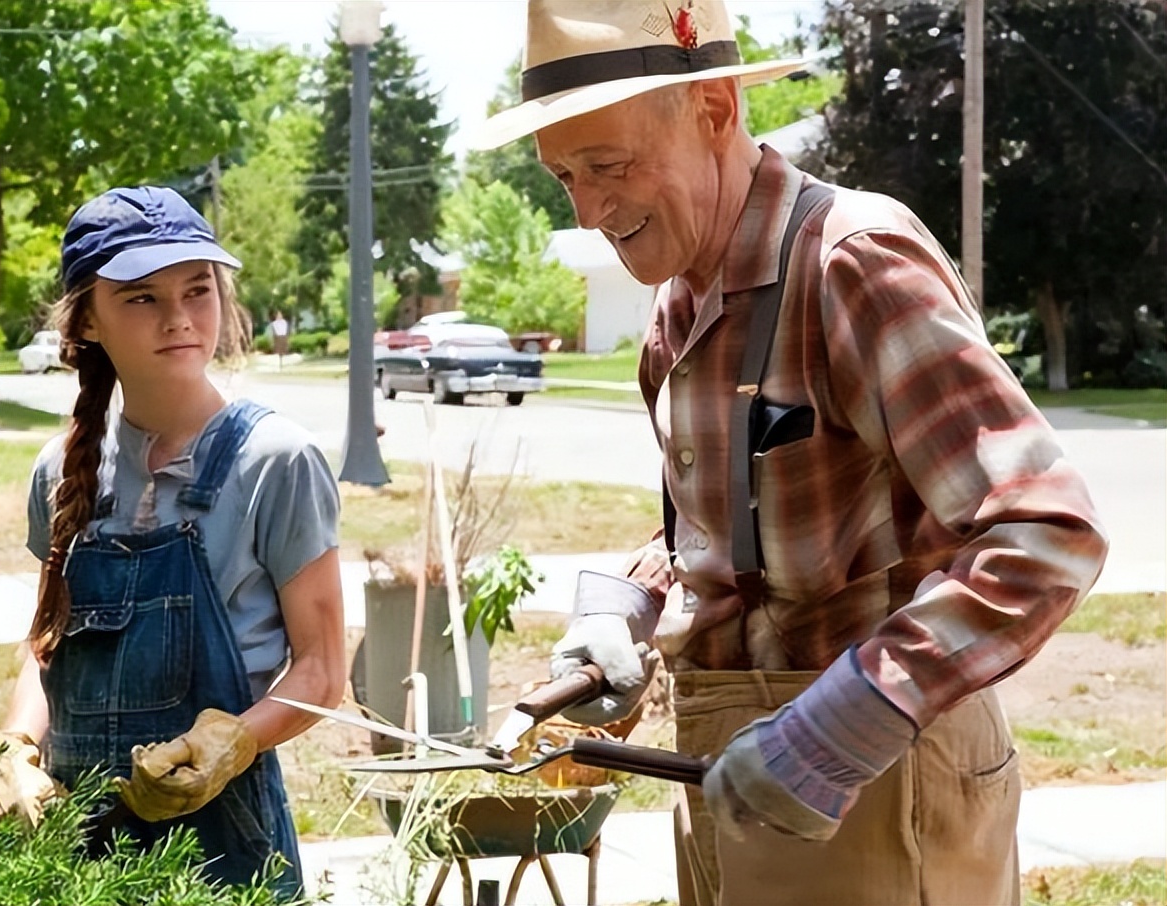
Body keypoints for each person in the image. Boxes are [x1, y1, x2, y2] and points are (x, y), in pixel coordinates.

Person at [469, 2, 1108, 904]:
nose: (590, 209)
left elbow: (1047, 538)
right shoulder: (677, 307)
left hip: (884, 791)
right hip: (731, 782)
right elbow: (732, 525)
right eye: (563, 175)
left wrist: (840, 726)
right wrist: (628, 607)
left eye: (608, 166)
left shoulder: (851, 262)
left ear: (717, 109)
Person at [0, 186, 344, 897]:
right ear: (87, 319)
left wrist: (233, 743)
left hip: (224, 849)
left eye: (198, 291)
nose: (179, 318)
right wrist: (14, 742)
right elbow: (48, 645)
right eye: (141, 297)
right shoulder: (59, 470)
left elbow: (323, 673)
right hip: (77, 840)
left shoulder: (276, 460)